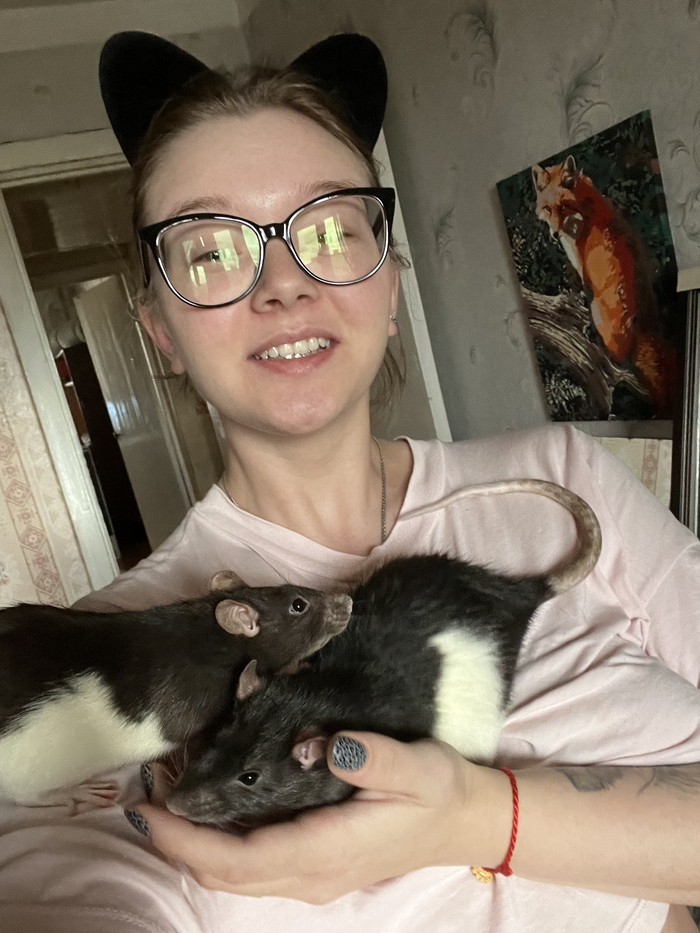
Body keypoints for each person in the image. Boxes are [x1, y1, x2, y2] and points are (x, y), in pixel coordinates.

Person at [0, 30, 698, 933]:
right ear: (160, 331)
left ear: (390, 282)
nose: (283, 285)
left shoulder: (562, 484)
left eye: (329, 229)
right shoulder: (106, 660)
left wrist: (478, 818)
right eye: (211, 251)